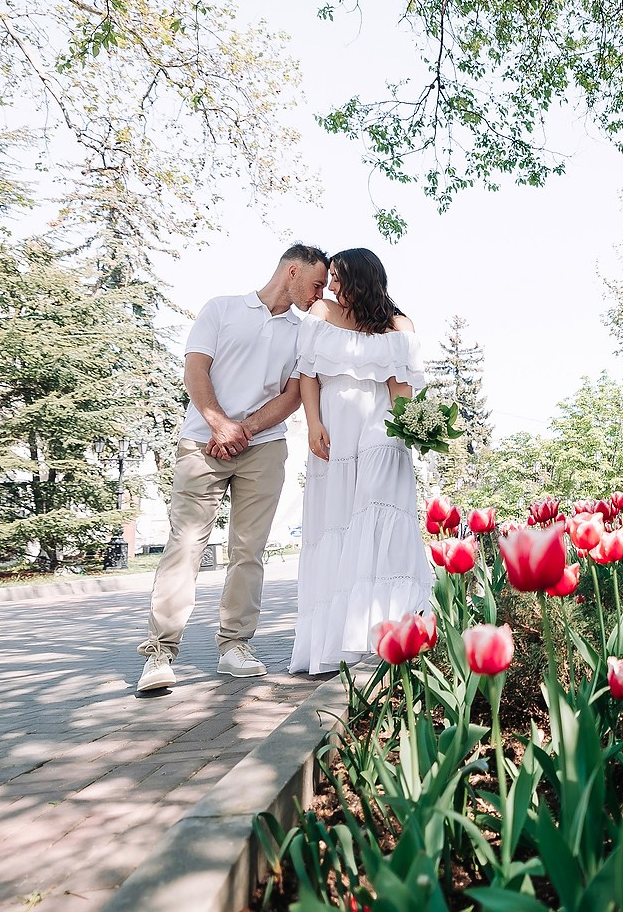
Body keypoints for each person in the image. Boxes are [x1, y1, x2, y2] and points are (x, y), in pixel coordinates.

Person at [136, 244, 328, 693]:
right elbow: (196, 369)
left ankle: (234, 647)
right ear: (293, 271)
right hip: (202, 442)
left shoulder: (305, 331)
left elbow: (294, 393)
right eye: (317, 283)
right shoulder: (221, 309)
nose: (320, 294)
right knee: (184, 546)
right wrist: (219, 424)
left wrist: (242, 429)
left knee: (249, 551)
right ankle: (159, 654)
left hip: (263, 449)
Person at [290, 247, 435, 675]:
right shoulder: (321, 312)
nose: (330, 286)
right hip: (333, 435)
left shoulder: (398, 325)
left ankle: (386, 632)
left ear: (362, 281)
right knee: (336, 526)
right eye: (329, 278)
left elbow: (401, 391)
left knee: (380, 521)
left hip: (380, 433)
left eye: (337, 278)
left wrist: (417, 430)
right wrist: (313, 422)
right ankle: (336, 641)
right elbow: (307, 375)